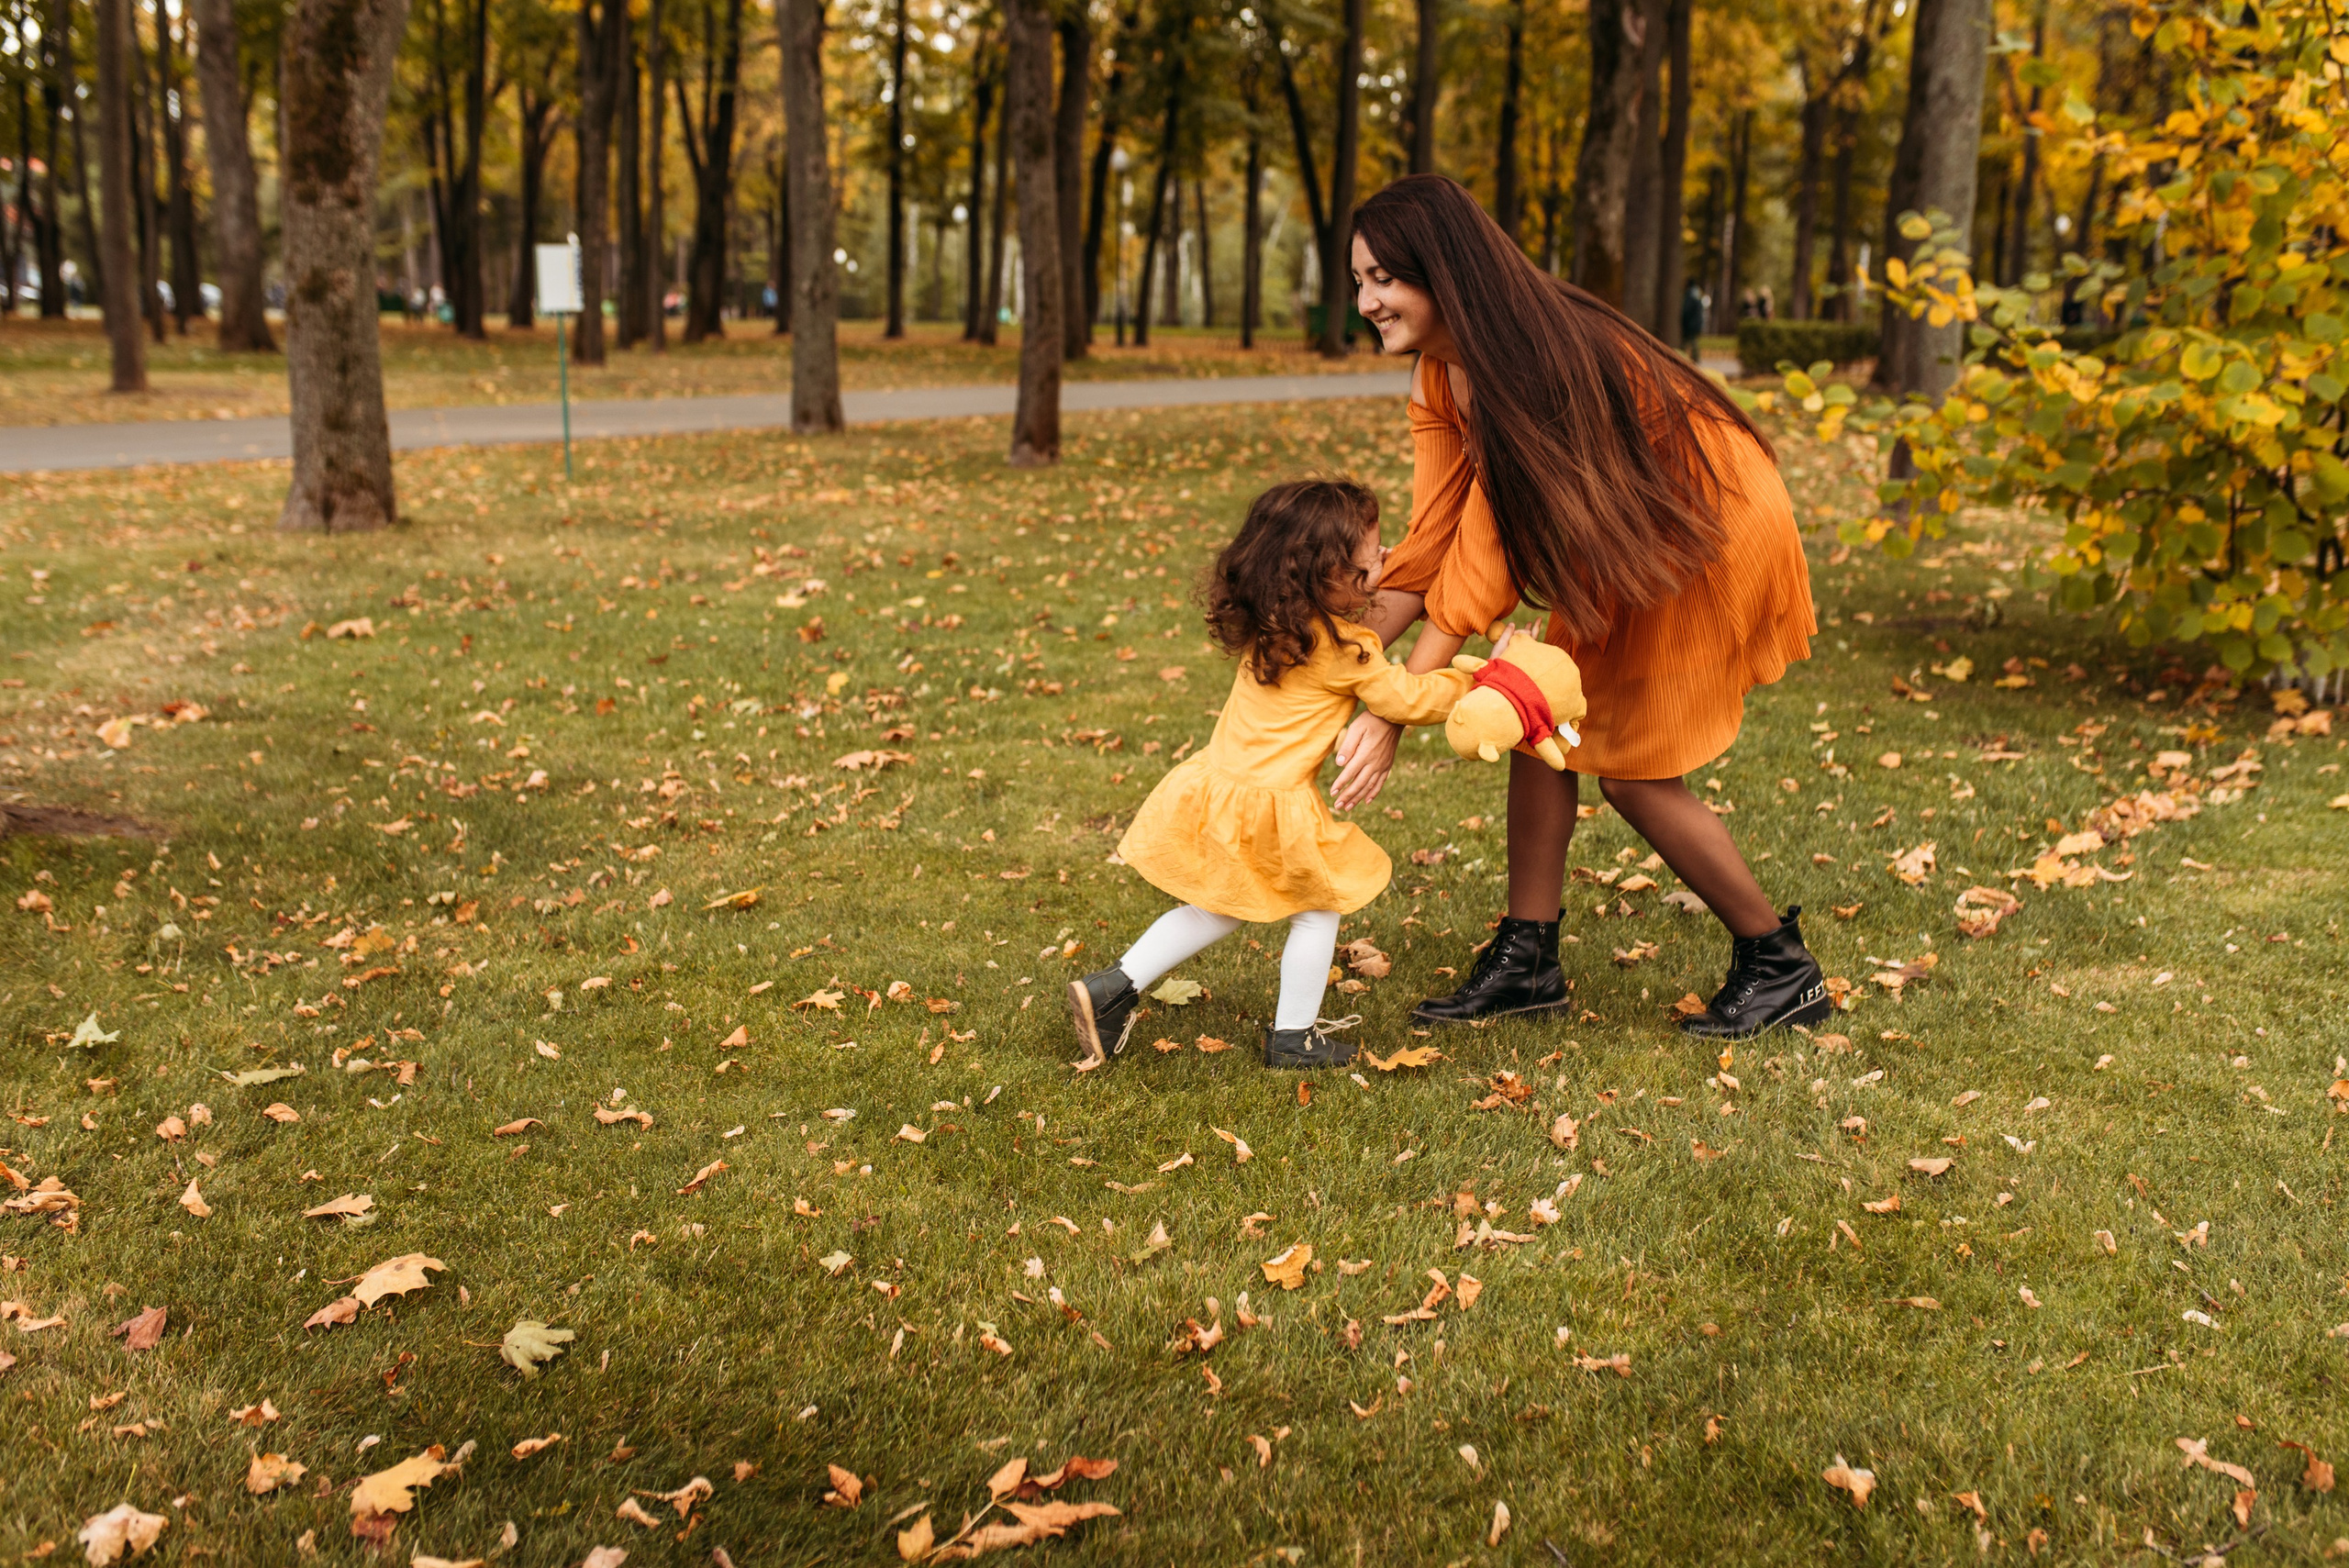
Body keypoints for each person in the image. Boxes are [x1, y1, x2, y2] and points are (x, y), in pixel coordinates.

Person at [1329, 173, 1826, 1040]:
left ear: (1442, 272)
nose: (1366, 300)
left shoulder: (1522, 361)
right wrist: (1347, 669)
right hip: (1631, 529)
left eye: (1385, 279)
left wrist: (1394, 709)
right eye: (1359, 280)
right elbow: (1432, 534)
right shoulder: (1442, 377)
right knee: (1532, 705)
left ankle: (1780, 966)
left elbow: (1481, 561)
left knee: (1633, 771)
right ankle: (1529, 958)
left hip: (1709, 523)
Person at [1068, 479, 1478, 1071]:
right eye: (1372, 558)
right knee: (1318, 907)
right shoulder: (1349, 650)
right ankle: (1293, 1038)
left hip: (1218, 785)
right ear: (1327, 575)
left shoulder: (1274, 623)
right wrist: (1479, 679)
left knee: (1216, 907)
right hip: (1271, 805)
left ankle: (1112, 988)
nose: (1385, 559)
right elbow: (1410, 700)